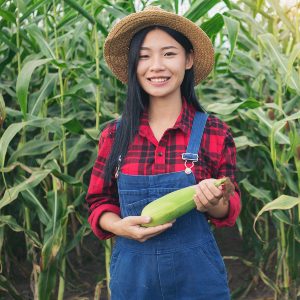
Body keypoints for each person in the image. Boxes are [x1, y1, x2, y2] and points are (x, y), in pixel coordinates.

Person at [86, 6, 241, 299]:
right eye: (144, 56)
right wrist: (119, 226)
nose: (156, 66)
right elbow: (98, 202)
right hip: (133, 281)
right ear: (134, 65)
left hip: (197, 282)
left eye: (169, 53)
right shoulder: (114, 136)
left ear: (189, 59)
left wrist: (213, 201)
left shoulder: (214, 132)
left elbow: (229, 207)